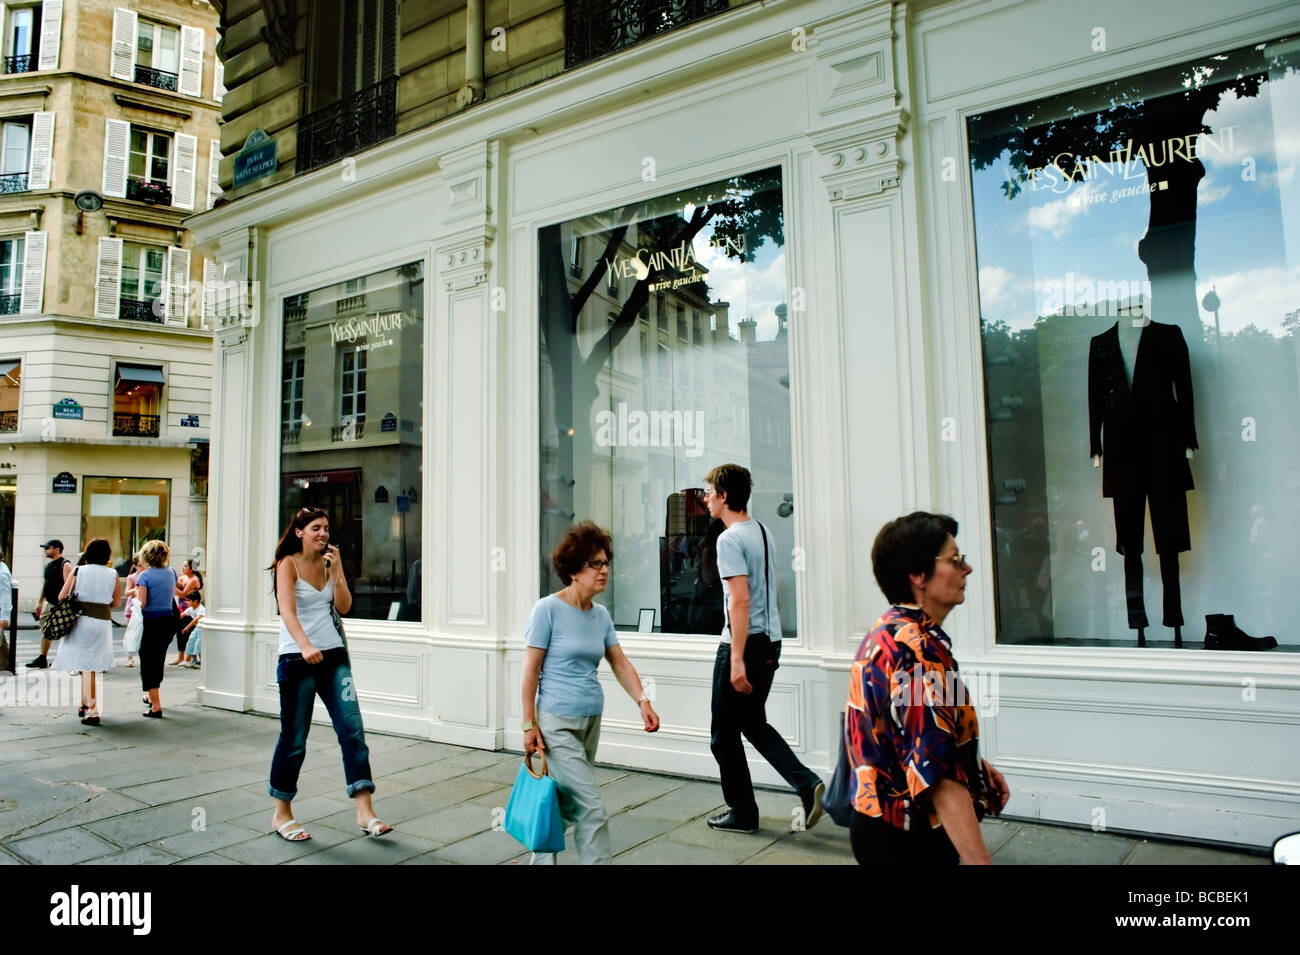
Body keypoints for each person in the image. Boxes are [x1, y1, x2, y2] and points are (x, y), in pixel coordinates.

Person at [845, 511, 1011, 866]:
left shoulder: (889, 629)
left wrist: (972, 763)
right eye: (955, 561)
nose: (967, 570)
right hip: (909, 838)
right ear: (918, 576)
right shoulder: (920, 654)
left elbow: (911, 734)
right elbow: (935, 775)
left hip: (878, 823)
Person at [522, 521, 660, 864]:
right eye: (594, 564)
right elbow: (530, 670)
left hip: (590, 720)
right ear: (573, 570)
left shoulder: (600, 615)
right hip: (556, 723)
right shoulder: (547, 610)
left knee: (567, 803)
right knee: (592, 808)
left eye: (605, 562)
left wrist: (643, 701)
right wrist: (528, 724)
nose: (604, 570)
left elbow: (620, 662)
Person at [702, 464, 824, 833]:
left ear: (724, 496)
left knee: (722, 736)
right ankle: (807, 784)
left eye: (709, 492)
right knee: (752, 723)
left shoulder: (729, 540)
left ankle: (742, 812)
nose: (706, 498)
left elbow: (739, 601)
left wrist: (736, 658)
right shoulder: (763, 531)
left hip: (743, 644)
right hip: (770, 641)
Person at [268, 507, 389, 842]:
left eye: (326, 528)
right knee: (294, 739)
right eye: (316, 528)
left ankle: (365, 812)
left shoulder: (328, 562)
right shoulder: (287, 564)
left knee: (353, 731)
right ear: (299, 532)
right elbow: (287, 611)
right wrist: (305, 645)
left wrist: (337, 571)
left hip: (334, 657)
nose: (323, 534)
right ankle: (281, 813)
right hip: (297, 659)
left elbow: (344, 606)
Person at [50, 538, 121, 726]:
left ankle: (92, 709)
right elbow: (116, 602)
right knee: (89, 662)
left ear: (88, 554)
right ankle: (84, 703)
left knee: (86, 664)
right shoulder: (112, 573)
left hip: (82, 619)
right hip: (102, 621)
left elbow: (61, 596)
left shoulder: (78, 570)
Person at [135, 540, 180, 718]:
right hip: (168, 621)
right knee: (158, 659)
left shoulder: (144, 577)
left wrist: (135, 601)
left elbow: (143, 603)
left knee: (148, 662)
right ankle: (152, 696)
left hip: (151, 622)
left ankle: (156, 705)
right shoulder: (172, 573)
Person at [28, 539, 72, 668]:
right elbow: (46, 585)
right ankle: (43, 657)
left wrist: (65, 603)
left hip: (59, 604)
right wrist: (40, 602)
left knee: (61, 630)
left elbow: (69, 586)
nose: (45, 550)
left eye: (48, 548)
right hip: (49, 603)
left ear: (57, 549)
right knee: (46, 630)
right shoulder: (48, 566)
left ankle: (62, 658)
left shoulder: (65, 564)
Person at [171, 561, 202, 665]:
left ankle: (188, 658)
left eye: (185, 566)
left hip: (190, 610)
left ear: (191, 569)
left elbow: (184, 594)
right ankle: (181, 657)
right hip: (182, 609)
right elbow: (179, 585)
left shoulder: (194, 580)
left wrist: (171, 587)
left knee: (188, 634)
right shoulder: (184, 578)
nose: (182, 567)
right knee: (180, 633)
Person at [123, 555, 144, 667]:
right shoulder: (132, 577)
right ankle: (130, 657)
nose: (143, 567)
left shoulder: (147, 575)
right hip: (133, 606)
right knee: (131, 631)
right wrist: (135, 589)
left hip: (143, 606)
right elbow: (126, 593)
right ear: (135, 566)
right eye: (140, 565)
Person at [180, 592, 204, 667]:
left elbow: (196, 620)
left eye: (188, 600)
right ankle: (194, 660)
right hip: (197, 629)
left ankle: (202, 662)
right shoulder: (191, 609)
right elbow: (181, 615)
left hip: (202, 630)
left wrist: (187, 627)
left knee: (198, 644)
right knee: (191, 641)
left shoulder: (201, 609)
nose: (187, 602)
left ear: (195, 601)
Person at [0, 547, 11, 672]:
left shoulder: (2, 574)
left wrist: (4, 617)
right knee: (1, 643)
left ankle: (4, 667)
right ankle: (5, 666)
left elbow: (5, 597)